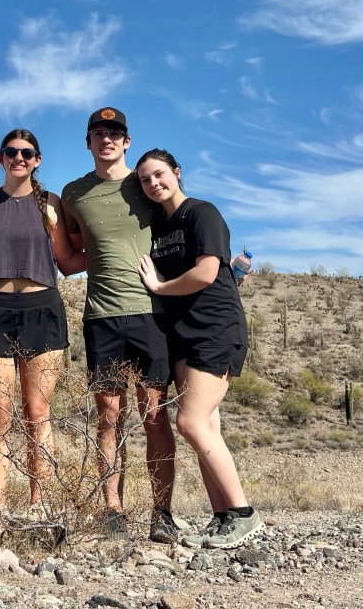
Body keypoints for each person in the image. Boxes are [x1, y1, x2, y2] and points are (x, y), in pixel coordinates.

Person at [60, 107, 178, 543]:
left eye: (114, 133)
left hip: (151, 313)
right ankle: (113, 510)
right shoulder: (74, 194)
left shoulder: (147, 182)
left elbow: (180, 228)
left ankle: (161, 512)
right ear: (88, 142)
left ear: (127, 141)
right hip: (102, 316)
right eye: (98, 133)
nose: (106, 139)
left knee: (154, 416)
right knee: (109, 416)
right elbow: (75, 253)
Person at [135, 148, 262, 549]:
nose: (153, 183)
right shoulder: (158, 224)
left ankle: (243, 513)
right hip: (180, 333)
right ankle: (222, 516)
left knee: (189, 422)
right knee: (207, 426)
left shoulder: (201, 213)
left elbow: (207, 272)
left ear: (176, 172)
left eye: (159, 174)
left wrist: (159, 286)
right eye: (145, 179)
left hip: (214, 328)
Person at [0, 129, 88, 531]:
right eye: (11, 152)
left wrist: (115, 254)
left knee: (37, 412)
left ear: (37, 160)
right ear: (0, 157)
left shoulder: (50, 203)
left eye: (27, 153)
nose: (19, 158)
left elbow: (66, 260)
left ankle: (39, 504)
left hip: (41, 309)